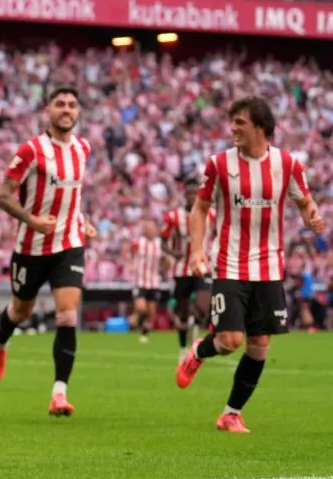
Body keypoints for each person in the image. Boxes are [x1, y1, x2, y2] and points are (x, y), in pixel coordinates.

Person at [177, 96, 326, 433]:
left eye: (240, 122)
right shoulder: (219, 164)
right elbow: (199, 209)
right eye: (232, 122)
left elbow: (305, 202)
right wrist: (197, 251)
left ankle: (231, 413)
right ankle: (199, 351)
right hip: (229, 263)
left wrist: (312, 217)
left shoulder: (287, 164)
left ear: (260, 126)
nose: (233, 128)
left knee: (259, 347)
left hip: (269, 266)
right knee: (230, 340)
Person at [0, 86, 97, 417]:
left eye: (72, 105)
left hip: (69, 244)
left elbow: (72, 196)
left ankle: (59, 393)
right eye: (60, 104)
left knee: (67, 314)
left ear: (78, 112)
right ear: (47, 110)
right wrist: (32, 220)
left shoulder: (83, 148)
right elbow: (2, 195)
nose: (66, 109)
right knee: (21, 311)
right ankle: (0, 341)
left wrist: (82, 221)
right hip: (31, 247)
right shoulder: (32, 150)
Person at [161, 176, 215, 359]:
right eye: (189, 193)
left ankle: (196, 321)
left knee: (203, 308)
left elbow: (219, 234)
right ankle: (183, 348)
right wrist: (172, 251)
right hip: (181, 269)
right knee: (182, 314)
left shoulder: (211, 214)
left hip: (203, 267)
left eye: (195, 192)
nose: (192, 196)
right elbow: (163, 240)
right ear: (184, 194)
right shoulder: (173, 217)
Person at [128, 220, 164, 344]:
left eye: (152, 228)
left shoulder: (160, 244)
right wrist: (131, 265)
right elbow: (131, 255)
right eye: (147, 228)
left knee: (151, 312)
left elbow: (165, 262)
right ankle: (136, 315)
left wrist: (166, 263)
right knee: (141, 307)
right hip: (140, 281)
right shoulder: (138, 243)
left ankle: (144, 334)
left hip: (154, 282)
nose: (150, 231)